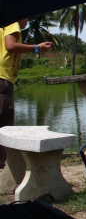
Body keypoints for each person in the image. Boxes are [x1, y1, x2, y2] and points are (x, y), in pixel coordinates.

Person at [0, 19, 54, 168]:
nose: (28, 21)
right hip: (2, 79)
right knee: (4, 126)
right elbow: (10, 45)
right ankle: (4, 167)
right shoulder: (11, 22)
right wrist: (37, 47)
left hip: (5, 79)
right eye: (27, 17)